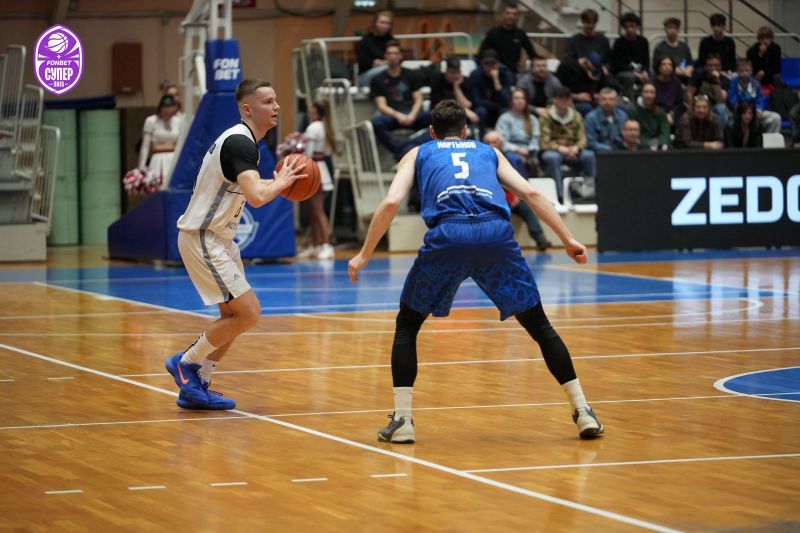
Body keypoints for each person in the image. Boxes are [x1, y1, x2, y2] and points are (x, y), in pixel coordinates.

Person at [347, 99, 603, 443]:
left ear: (432, 131)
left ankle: (403, 420)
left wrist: (364, 254)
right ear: (466, 130)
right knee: (540, 326)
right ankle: (583, 410)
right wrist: (568, 239)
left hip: (448, 235)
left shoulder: (419, 152)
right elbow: (530, 192)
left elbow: (392, 202)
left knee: (407, 325)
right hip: (494, 234)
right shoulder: (488, 151)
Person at [165, 79, 306, 410]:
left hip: (218, 238)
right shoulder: (241, 143)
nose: (276, 107)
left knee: (233, 317)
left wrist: (277, 182)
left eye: (276, 100)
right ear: (248, 109)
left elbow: (253, 186)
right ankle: (185, 363)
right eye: (268, 102)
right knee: (249, 313)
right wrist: (283, 183)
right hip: (203, 236)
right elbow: (256, 196)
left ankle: (197, 385)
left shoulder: (242, 141)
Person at [484, 130, 552, 251]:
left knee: (527, 210)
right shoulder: (480, 160)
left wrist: (513, 195)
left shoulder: (513, 159)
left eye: (494, 142)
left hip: (512, 196)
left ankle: (540, 240)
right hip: (490, 197)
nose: (491, 145)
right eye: (487, 142)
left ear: (501, 143)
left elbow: (522, 181)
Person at [370, 41, 431, 161]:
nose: (392, 56)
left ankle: (405, 148)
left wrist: (412, 115)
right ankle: (400, 150)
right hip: (393, 115)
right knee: (376, 123)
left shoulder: (411, 74)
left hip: (412, 113)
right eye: (389, 53)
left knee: (435, 117)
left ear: (400, 56)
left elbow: (419, 99)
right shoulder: (377, 79)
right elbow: (382, 105)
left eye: (395, 53)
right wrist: (399, 116)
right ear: (385, 56)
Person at [539, 87, 596, 202]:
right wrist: (561, 149)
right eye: (561, 99)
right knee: (552, 158)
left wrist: (576, 148)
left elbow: (582, 138)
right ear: (555, 100)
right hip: (554, 150)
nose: (564, 102)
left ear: (570, 100)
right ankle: (559, 196)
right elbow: (544, 142)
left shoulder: (576, 116)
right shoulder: (546, 116)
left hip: (573, 150)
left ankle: (589, 193)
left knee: (589, 156)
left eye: (566, 99)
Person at [297, 101, 336, 260]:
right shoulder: (324, 126)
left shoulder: (313, 127)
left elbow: (308, 153)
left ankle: (327, 245)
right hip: (319, 166)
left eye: (310, 110)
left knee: (318, 210)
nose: (308, 113)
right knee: (312, 210)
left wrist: (295, 152)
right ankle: (316, 245)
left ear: (316, 112)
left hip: (313, 167)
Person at [477, 1, 536, 73]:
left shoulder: (521, 34)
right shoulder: (493, 33)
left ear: (517, 17)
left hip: (513, 72)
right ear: (503, 15)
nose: (511, 16)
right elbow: (482, 53)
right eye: (508, 13)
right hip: (494, 71)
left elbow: (532, 54)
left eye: (514, 14)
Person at [138, 94, 182, 187]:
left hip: (174, 158)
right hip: (157, 159)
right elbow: (145, 145)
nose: (167, 115)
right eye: (165, 112)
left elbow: (182, 143)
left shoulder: (178, 121)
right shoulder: (151, 120)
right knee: (157, 185)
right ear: (160, 109)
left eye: (170, 112)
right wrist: (141, 166)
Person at [494, 89, 541, 176]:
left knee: (534, 162)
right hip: (510, 151)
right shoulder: (504, 118)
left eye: (523, 98)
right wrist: (517, 149)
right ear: (511, 101)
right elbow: (501, 141)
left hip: (528, 152)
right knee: (517, 160)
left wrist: (530, 150)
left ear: (526, 101)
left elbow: (535, 140)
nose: (520, 101)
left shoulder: (532, 119)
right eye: (516, 98)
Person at [728, 58, 782, 133]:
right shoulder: (733, 82)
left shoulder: (756, 83)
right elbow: (732, 99)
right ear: (737, 71)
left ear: (751, 71)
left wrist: (758, 109)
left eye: (747, 70)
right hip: (738, 112)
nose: (744, 73)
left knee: (775, 117)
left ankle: (768, 139)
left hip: (754, 112)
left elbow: (759, 99)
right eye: (741, 71)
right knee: (729, 121)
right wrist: (742, 110)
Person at [469, 48, 514, 132]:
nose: (490, 67)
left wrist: (496, 80)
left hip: (499, 109)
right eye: (486, 63)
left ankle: (502, 137)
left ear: (498, 63)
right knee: (481, 111)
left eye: (493, 63)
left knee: (505, 111)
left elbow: (506, 101)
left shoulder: (506, 74)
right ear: (481, 63)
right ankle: (482, 137)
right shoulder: (475, 75)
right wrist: (496, 105)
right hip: (485, 109)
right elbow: (477, 101)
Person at [608, 12, 650, 101]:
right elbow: (617, 65)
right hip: (622, 72)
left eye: (632, 26)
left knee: (653, 77)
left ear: (637, 27)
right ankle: (628, 103)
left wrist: (645, 72)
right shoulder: (619, 43)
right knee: (630, 77)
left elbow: (646, 61)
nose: (629, 29)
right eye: (626, 27)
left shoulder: (643, 41)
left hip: (640, 71)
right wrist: (635, 73)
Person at [687, 53, 731, 128]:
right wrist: (691, 108)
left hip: (713, 108)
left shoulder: (725, 80)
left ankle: (719, 134)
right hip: (698, 105)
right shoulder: (698, 74)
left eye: (716, 66)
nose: (713, 68)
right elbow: (689, 93)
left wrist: (716, 82)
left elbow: (720, 101)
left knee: (721, 108)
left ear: (720, 67)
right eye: (710, 65)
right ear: (705, 67)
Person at [356, 10, 395, 87]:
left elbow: (399, 59)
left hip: (388, 72)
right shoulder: (366, 40)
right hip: (367, 74)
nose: (385, 26)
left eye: (388, 23)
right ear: (375, 23)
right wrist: (375, 63)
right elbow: (362, 61)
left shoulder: (393, 41)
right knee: (386, 69)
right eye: (382, 22)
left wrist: (386, 62)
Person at [628, 82, 671, 149]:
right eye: (646, 92)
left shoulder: (660, 112)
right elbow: (633, 133)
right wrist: (648, 145)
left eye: (651, 92)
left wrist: (663, 144)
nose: (649, 95)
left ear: (655, 95)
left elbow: (665, 132)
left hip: (658, 143)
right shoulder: (634, 111)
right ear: (641, 94)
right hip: (641, 144)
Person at [583, 87, 627, 152]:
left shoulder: (623, 116)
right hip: (598, 152)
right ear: (599, 101)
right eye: (604, 99)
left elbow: (625, 138)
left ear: (616, 101)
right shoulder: (591, 117)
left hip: (620, 150)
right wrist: (610, 149)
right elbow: (591, 142)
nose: (607, 102)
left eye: (611, 99)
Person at [652, 17, 693, 82]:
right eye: (670, 28)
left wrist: (688, 69)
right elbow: (656, 67)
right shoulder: (659, 48)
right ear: (665, 30)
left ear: (678, 30)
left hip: (685, 76)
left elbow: (690, 63)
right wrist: (676, 70)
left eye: (675, 28)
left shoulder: (684, 47)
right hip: (668, 77)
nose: (672, 30)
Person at [652, 55, 685, 124]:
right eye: (664, 64)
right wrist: (663, 114)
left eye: (670, 65)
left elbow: (680, 102)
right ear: (658, 67)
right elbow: (650, 101)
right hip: (656, 112)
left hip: (672, 113)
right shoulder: (652, 82)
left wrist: (672, 113)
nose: (667, 67)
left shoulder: (677, 82)